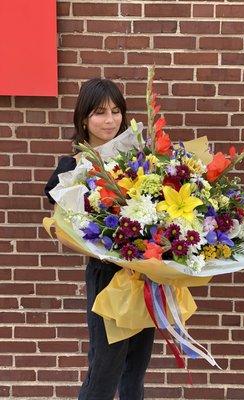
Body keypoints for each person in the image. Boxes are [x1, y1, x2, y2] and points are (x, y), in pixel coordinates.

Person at [44, 78, 155, 400]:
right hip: (108, 276)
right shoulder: (72, 169)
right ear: (83, 119)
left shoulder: (139, 162)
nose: (110, 120)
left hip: (145, 273)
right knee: (105, 369)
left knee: (135, 368)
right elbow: (58, 202)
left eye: (116, 111)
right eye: (99, 112)